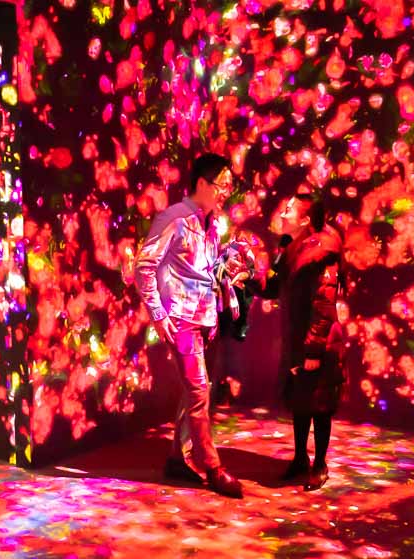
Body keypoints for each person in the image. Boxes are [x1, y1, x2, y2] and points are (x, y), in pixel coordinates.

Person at [134, 153, 244, 498]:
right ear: (201, 183)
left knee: (193, 391)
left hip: (203, 319)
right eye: (222, 185)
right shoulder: (174, 218)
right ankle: (211, 466)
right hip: (181, 320)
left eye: (229, 186)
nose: (226, 192)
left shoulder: (210, 223)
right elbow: (143, 267)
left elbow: (203, 272)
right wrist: (159, 314)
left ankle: (176, 459)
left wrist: (226, 266)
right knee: (200, 392)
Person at [248, 193, 346, 491]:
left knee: (320, 403)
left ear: (305, 221)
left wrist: (314, 348)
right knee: (301, 401)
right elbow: (276, 287)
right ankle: (301, 457)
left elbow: (324, 302)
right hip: (297, 340)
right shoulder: (289, 248)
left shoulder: (323, 253)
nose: (283, 212)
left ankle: (320, 464)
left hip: (319, 342)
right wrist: (250, 277)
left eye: (289, 210)